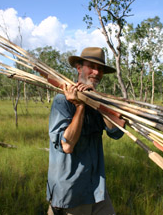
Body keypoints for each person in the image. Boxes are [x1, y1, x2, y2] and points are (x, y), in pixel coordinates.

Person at [46, 47, 124, 215]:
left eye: (101, 69)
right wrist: (80, 106)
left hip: (97, 190)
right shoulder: (63, 101)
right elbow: (67, 145)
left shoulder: (100, 101)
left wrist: (99, 103)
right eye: (91, 66)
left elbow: (116, 133)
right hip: (71, 193)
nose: (96, 72)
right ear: (79, 68)